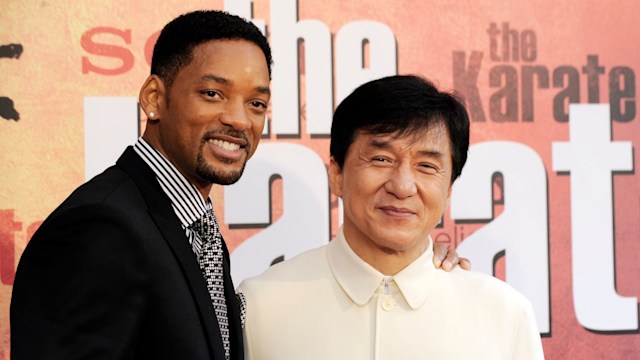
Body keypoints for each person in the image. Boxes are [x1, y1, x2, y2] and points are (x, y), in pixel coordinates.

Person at [10, 11, 466, 360]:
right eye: (213, 93)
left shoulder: (188, 223)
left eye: (256, 102)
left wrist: (418, 269)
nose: (237, 119)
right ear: (155, 98)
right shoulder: (103, 226)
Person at [238, 75, 545, 359]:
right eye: (381, 159)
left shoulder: (504, 314)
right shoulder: (258, 305)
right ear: (337, 174)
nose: (402, 186)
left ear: (449, 189)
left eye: (426, 166)